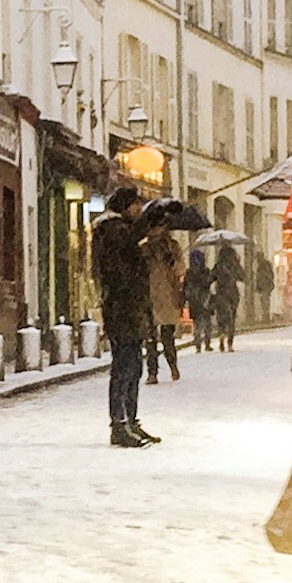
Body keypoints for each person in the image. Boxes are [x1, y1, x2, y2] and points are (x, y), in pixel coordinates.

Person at [91, 184, 159, 448]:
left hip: (130, 310)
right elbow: (123, 273)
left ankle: (130, 420)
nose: (139, 209)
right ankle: (119, 424)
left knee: (134, 366)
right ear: (125, 206)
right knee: (124, 367)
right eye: (136, 205)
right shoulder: (114, 232)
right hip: (122, 310)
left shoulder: (123, 233)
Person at [144, 228, 187, 383]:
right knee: (150, 337)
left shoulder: (172, 247)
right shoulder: (144, 249)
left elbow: (180, 269)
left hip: (168, 295)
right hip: (148, 296)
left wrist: (172, 261)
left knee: (167, 335)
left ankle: (172, 365)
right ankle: (152, 372)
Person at [210, 242, 244, 352]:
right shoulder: (234, 264)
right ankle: (230, 343)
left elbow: (211, 277)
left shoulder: (219, 265)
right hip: (233, 293)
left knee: (221, 316)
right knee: (232, 318)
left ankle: (221, 335)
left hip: (221, 293)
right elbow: (242, 276)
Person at [184, 245, 217, 353]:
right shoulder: (205, 271)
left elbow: (186, 287)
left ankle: (198, 344)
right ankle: (207, 343)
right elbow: (208, 282)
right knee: (207, 323)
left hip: (194, 301)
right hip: (205, 300)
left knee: (197, 324)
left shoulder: (189, 273)